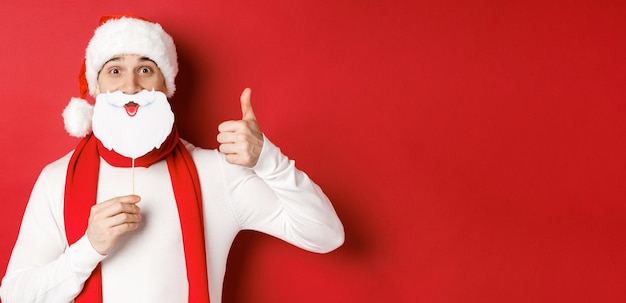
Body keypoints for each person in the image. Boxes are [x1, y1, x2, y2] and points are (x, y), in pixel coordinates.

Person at [0, 15, 344, 303]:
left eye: (146, 70)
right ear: (96, 88)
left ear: (166, 87)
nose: (130, 86)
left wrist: (268, 160)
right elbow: (15, 296)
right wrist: (89, 247)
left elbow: (327, 235)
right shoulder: (57, 179)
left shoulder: (216, 173)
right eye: (115, 70)